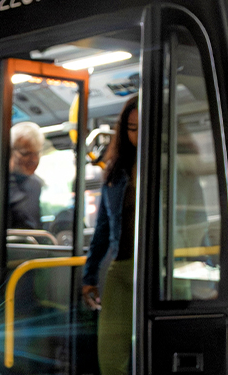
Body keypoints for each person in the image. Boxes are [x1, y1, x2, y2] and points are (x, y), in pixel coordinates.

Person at [81, 95, 138, 375]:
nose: (137, 135)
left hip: (162, 275)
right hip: (122, 270)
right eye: (132, 128)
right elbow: (102, 228)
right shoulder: (116, 171)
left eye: (143, 127)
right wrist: (89, 275)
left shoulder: (173, 167)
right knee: (112, 359)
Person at [8, 121, 44, 230]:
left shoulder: (36, 184)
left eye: (37, 153)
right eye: (26, 153)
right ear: (10, 152)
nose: (34, 160)